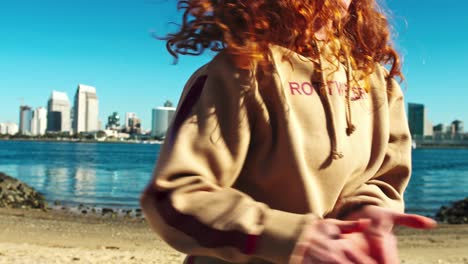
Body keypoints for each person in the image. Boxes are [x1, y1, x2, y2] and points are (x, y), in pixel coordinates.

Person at [141, 0, 437, 263]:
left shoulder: (378, 83)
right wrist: (295, 238)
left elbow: (384, 178)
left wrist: (366, 215)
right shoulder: (240, 73)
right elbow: (174, 198)